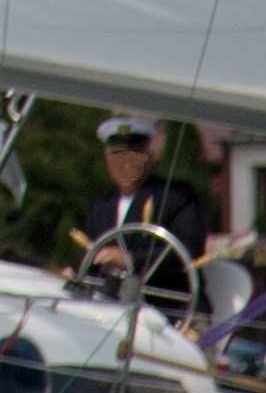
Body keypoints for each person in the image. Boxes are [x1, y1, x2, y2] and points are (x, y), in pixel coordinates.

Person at [69, 114, 220, 301]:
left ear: (148, 157)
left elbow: (189, 251)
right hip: (111, 308)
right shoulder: (100, 205)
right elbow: (92, 258)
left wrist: (130, 260)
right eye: (117, 154)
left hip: (171, 308)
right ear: (107, 160)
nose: (125, 163)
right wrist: (75, 274)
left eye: (134, 154)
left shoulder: (178, 197)